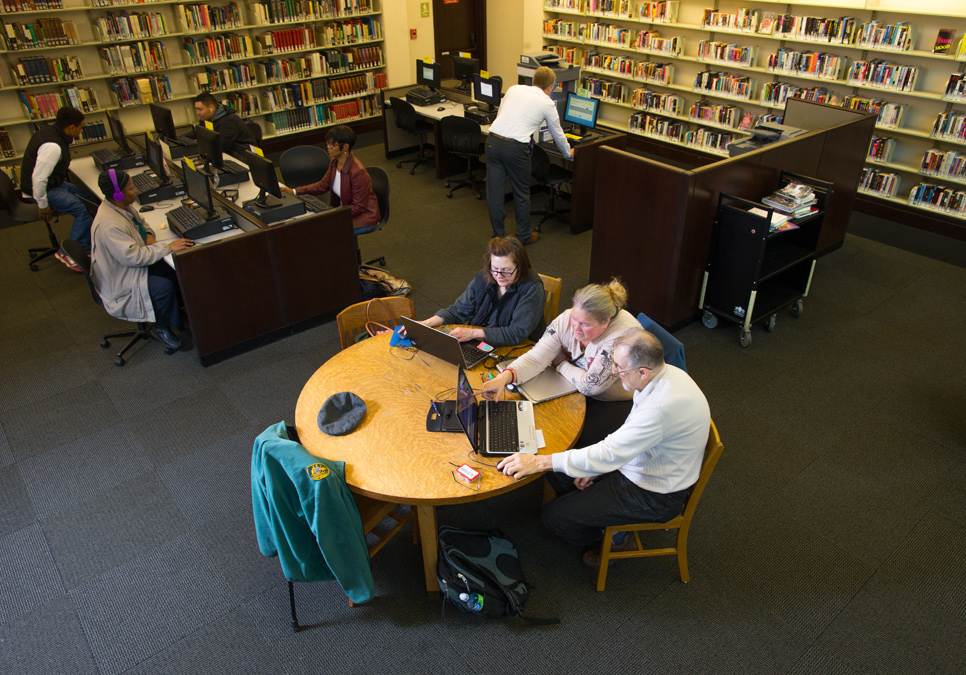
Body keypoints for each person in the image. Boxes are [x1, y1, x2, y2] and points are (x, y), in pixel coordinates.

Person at [495, 329, 711, 568]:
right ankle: (594, 510)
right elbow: (626, 439)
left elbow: (612, 451)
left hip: (654, 494)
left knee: (554, 517)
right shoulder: (664, 374)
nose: (614, 371)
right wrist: (596, 468)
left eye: (619, 367)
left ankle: (614, 539)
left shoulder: (660, 408)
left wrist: (539, 462)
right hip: (644, 462)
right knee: (559, 476)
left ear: (642, 371)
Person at [480, 278, 641, 444]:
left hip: (610, 400)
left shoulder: (621, 338)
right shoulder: (567, 319)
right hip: (573, 383)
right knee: (536, 423)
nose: (576, 328)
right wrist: (503, 378)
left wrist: (560, 363)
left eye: (585, 324)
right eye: (575, 318)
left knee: (569, 442)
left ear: (606, 322)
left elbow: (590, 386)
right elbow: (536, 358)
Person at [89, 169, 193, 350]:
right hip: (122, 277)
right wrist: (167, 247)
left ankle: (177, 315)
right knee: (163, 287)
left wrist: (150, 235)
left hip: (127, 265)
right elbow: (134, 258)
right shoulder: (110, 224)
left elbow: (141, 222)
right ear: (118, 193)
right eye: (131, 188)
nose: (136, 190)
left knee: (175, 270)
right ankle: (161, 328)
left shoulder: (121, 206)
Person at [485, 65, 572, 246]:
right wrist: (567, 152)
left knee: (494, 193)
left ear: (533, 81)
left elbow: (502, 115)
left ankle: (497, 237)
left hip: (492, 141)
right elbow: (558, 134)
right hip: (515, 148)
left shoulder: (514, 89)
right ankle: (524, 236)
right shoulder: (547, 103)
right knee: (521, 193)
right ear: (550, 87)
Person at [417, 236, 546, 347]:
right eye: (494, 268)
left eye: (506, 271)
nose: (498, 276)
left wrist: (473, 333)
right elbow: (458, 310)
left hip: (518, 347)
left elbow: (517, 333)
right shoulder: (484, 277)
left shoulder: (532, 288)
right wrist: (426, 324)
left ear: (521, 266)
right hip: (483, 339)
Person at [20, 106, 91, 271]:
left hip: (54, 183)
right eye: (81, 127)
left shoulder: (51, 132)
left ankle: (85, 247)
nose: (82, 130)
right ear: (71, 127)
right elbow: (38, 179)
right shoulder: (53, 146)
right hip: (43, 190)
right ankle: (68, 254)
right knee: (81, 210)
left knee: (87, 200)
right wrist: (43, 205)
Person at [280, 125, 380, 231]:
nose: (328, 147)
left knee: (327, 229)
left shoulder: (358, 172)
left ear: (345, 147)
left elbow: (358, 208)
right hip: (344, 211)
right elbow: (322, 186)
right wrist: (294, 191)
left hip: (365, 217)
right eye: (328, 143)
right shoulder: (334, 161)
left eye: (332, 144)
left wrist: (333, 214)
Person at [189, 92, 255, 159]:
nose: (197, 113)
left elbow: (220, 146)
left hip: (242, 156)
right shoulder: (209, 118)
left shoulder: (228, 121)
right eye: (196, 109)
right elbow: (197, 132)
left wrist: (198, 145)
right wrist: (181, 141)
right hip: (227, 153)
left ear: (211, 108)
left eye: (200, 109)